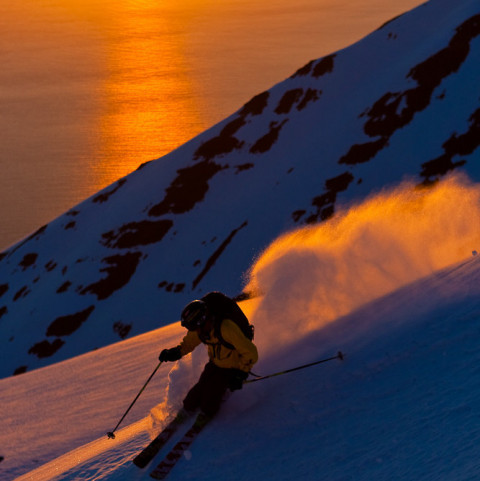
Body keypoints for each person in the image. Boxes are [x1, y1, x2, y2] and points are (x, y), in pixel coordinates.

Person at [159, 293, 258, 419]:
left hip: (231, 368)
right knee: (193, 397)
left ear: (202, 320)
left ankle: (207, 413)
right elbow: (189, 342)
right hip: (215, 364)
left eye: (195, 327)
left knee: (210, 399)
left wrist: (241, 374)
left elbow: (251, 352)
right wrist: (175, 353)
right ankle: (189, 409)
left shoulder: (226, 328)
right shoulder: (201, 329)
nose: (195, 331)